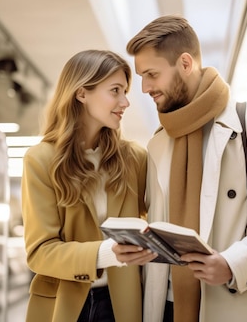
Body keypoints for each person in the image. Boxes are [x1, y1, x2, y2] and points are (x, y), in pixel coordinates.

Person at [125, 15, 247, 322]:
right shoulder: (157, 144)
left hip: (236, 301)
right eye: (142, 76)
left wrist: (233, 263)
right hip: (169, 307)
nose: (144, 87)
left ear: (185, 63)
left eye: (152, 74)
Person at [20, 49, 156, 322]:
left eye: (125, 91)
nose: (125, 102)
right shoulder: (40, 160)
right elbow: (39, 252)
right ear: (82, 94)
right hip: (62, 306)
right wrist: (106, 252)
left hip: (122, 305)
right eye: (115, 90)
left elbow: (152, 221)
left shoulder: (134, 159)